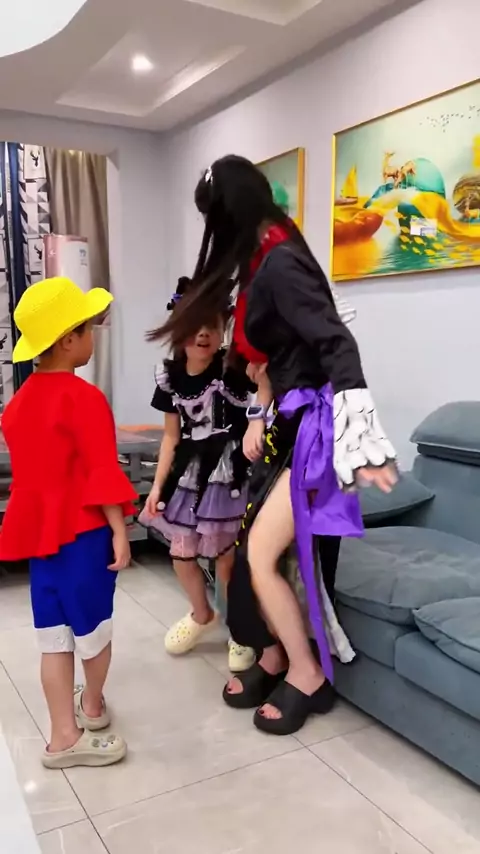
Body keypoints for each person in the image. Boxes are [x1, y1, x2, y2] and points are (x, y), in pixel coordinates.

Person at [152, 155, 397, 736]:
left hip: (313, 428)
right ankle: (276, 656)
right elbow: (278, 360)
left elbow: (336, 344)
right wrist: (262, 410)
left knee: (259, 556)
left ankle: (307, 673)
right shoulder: (266, 257)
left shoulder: (280, 261)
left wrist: (362, 437)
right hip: (287, 421)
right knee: (258, 554)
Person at [0, 277, 138, 769]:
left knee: (53, 638)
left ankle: (62, 736)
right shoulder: (85, 398)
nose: (92, 335)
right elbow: (101, 472)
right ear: (67, 340)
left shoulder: (16, 406)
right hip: (83, 536)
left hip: (41, 540)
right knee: (94, 631)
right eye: (87, 327)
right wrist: (119, 531)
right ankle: (93, 708)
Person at [140, 276, 257, 673]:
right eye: (194, 325)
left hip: (229, 472)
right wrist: (158, 487)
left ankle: (238, 629)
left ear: (224, 328)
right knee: (181, 553)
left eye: (212, 324)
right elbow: (171, 437)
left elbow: (262, 392)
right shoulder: (169, 376)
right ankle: (201, 613)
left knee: (225, 560)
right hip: (189, 473)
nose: (203, 333)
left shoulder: (232, 369)